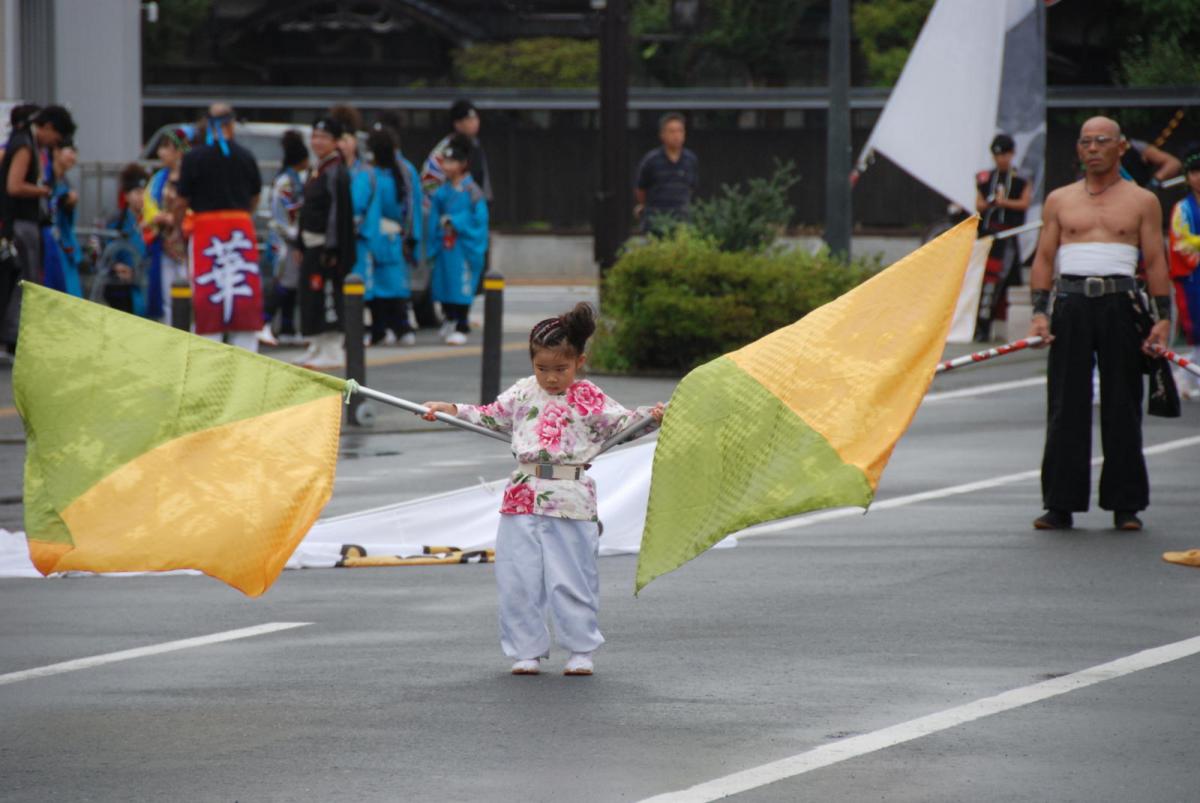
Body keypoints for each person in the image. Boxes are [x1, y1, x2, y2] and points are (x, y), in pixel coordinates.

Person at [420, 303, 665, 676]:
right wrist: (448, 408)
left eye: (561, 369)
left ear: (579, 362)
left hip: (570, 495)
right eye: (542, 368)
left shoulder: (588, 396)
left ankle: (580, 649)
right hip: (522, 494)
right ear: (532, 363)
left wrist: (654, 416)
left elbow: (624, 424)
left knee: (572, 577)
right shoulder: (522, 392)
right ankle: (526, 651)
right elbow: (487, 415)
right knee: (517, 577)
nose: (551, 378)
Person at [1027, 117, 1171, 532]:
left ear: (1120, 147)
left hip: (1121, 304)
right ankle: (1060, 504)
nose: (1092, 149)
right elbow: (1044, 258)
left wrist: (1163, 319)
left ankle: (1126, 504)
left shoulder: (1142, 200)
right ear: (1079, 148)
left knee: (1123, 404)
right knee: (1065, 406)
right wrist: (1039, 312)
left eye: (1102, 141)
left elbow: (1155, 261)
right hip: (1071, 303)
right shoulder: (1059, 200)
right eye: (1086, 142)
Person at [174, 103, 264, 352]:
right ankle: (247, 356)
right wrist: (242, 215)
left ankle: (207, 355)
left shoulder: (193, 158)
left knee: (208, 295)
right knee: (242, 297)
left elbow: (181, 201)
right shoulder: (246, 156)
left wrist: (177, 228)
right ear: (231, 125)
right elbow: (255, 197)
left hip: (207, 231)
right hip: (239, 229)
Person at [0, 104, 75, 353]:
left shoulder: (24, 141)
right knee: (24, 280)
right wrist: (42, 190)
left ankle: (14, 335)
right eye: (57, 137)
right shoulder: (24, 145)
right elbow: (14, 185)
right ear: (49, 127)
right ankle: (14, 337)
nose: (54, 143)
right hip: (21, 223)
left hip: (19, 223)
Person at [296, 115, 354, 369]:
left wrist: (332, 248)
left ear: (336, 141)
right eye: (315, 136)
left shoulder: (336, 171)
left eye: (324, 137)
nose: (317, 142)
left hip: (327, 246)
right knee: (311, 296)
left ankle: (332, 349)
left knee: (327, 296)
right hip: (311, 243)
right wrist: (300, 243)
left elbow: (336, 214)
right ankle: (317, 344)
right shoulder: (317, 168)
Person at [427, 135, 488, 345]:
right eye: (445, 161)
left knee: (461, 284)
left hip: (463, 245)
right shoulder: (441, 192)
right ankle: (450, 318)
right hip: (445, 243)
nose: (447, 166)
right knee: (443, 282)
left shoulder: (472, 191)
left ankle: (462, 323)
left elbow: (479, 218)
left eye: (452, 161)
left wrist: (456, 221)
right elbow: (434, 217)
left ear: (463, 164)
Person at [364, 128, 420, 346]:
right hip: (392, 237)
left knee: (382, 286)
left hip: (379, 235)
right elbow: (411, 208)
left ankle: (386, 328)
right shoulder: (401, 172)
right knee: (392, 285)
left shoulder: (373, 175)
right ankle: (397, 327)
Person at [974, 133, 1032, 341]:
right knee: (987, 280)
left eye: (1004, 154)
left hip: (1009, 235)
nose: (1001, 159)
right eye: (997, 155)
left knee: (1006, 279)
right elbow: (978, 204)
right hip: (988, 236)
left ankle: (1003, 325)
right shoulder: (985, 178)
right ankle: (982, 327)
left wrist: (1003, 202)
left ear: (1012, 154)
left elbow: (1025, 203)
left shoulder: (1021, 178)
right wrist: (991, 202)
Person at [260, 129, 308, 346]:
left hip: (290, 239)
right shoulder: (287, 182)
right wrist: (296, 237)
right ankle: (265, 321)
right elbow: (284, 216)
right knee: (284, 284)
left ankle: (287, 328)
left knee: (291, 285)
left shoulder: (291, 178)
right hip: (285, 241)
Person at [144, 125, 193, 324]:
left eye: (166, 147)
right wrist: (158, 217)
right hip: (164, 244)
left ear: (179, 151)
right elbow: (148, 205)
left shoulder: (191, 177)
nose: (160, 153)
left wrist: (179, 220)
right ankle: (169, 332)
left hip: (188, 245)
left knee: (191, 293)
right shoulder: (158, 179)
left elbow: (197, 206)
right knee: (166, 295)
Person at [1167, 147, 1200, 400]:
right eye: (1194, 172)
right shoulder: (1182, 209)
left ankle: (1188, 375)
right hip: (1193, 276)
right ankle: (1186, 375)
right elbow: (1181, 242)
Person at [635, 112, 699, 233]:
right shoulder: (651, 160)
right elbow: (640, 189)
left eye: (680, 131)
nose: (676, 135)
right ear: (662, 134)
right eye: (672, 131)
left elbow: (692, 187)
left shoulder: (690, 159)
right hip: (656, 220)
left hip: (682, 220)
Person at [101, 163, 150, 315]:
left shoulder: (153, 221)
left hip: (147, 284)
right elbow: (104, 251)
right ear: (127, 196)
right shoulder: (117, 221)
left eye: (145, 192)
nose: (142, 197)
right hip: (123, 287)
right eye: (138, 192)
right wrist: (116, 267)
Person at [421, 99, 492, 202]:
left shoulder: (475, 144)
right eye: (469, 119)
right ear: (457, 124)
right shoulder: (446, 147)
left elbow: (482, 179)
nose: (475, 122)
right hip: (445, 204)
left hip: (473, 202)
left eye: (476, 118)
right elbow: (428, 183)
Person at [44, 142, 82, 297]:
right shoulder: (45, 178)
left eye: (75, 153)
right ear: (56, 151)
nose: (74, 157)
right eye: (70, 151)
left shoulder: (65, 183)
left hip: (64, 246)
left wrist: (67, 204)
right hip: (49, 245)